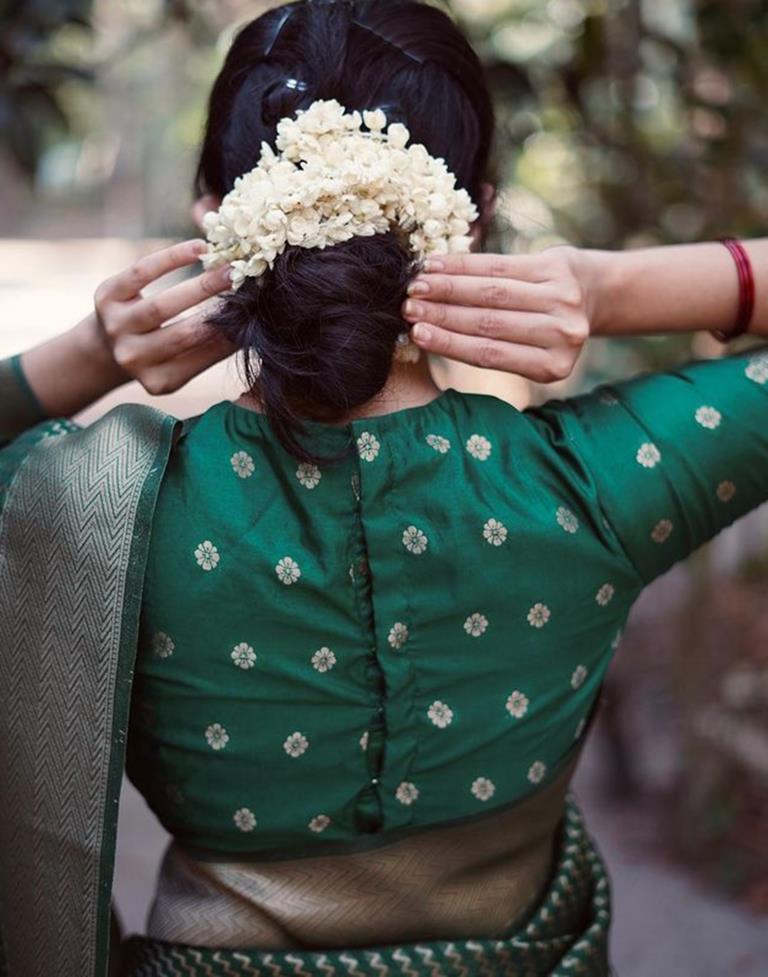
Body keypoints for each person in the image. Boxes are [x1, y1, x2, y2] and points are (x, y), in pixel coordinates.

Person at [0, 2, 766, 975]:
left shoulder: (93, 510)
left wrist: (83, 357)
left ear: (217, 222)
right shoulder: (593, 486)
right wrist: (610, 289)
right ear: (474, 214)